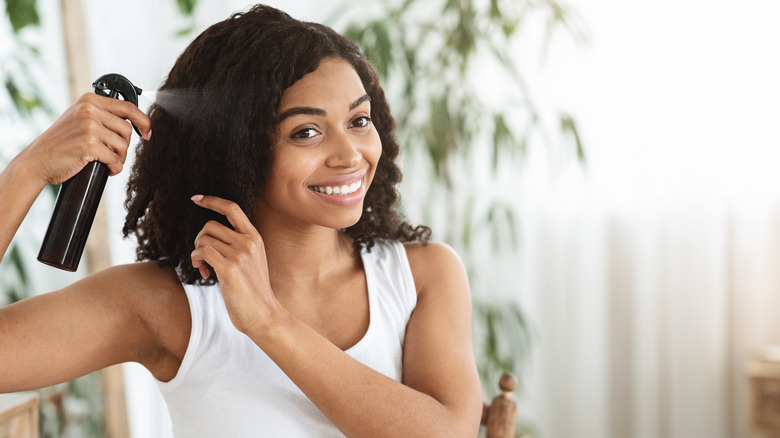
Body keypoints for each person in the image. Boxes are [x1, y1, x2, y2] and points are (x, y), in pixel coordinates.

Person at [0, 4, 482, 437]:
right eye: (307, 131)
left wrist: (268, 322)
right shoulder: (166, 305)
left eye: (359, 120)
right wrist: (26, 171)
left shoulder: (422, 274)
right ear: (237, 151)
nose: (350, 154)